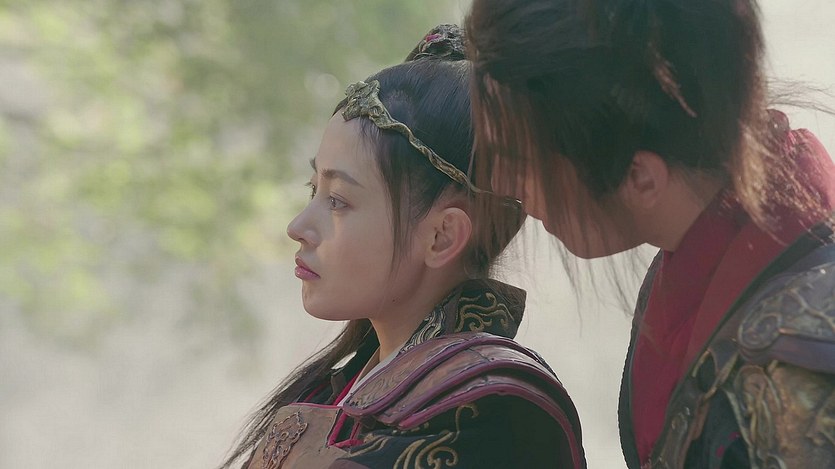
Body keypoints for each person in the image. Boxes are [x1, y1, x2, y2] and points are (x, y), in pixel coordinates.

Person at [465, 1, 835, 468]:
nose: (501, 184)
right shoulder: (703, 247)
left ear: (640, 178)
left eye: (519, 162)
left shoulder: (802, 371)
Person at [218, 25, 585, 469]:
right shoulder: (337, 388)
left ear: (442, 236)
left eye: (338, 200)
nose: (298, 227)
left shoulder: (491, 410)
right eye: (313, 189)